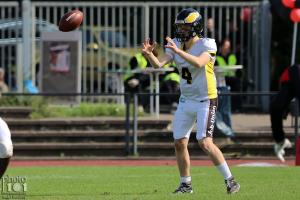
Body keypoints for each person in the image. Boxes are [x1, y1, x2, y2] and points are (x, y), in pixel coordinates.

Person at [142, 8, 240, 194]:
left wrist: (179, 51)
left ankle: (230, 180)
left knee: (204, 142)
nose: (181, 31)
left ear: (196, 27)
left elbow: (198, 63)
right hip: (186, 100)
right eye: (180, 27)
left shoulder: (207, 44)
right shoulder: (177, 43)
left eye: (185, 27)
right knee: (179, 142)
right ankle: (186, 185)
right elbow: (159, 64)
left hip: (206, 99)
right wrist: (149, 54)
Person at [270, 64, 300, 162]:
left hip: (293, 77)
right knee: (275, 108)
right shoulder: (294, 71)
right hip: (293, 76)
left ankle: (280, 141)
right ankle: (280, 141)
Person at [216, 38, 242, 112]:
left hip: (233, 78)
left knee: (237, 86)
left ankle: (236, 108)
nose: (227, 48)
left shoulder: (233, 56)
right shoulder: (217, 57)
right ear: (221, 47)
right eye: (226, 46)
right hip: (222, 79)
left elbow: (238, 68)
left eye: (228, 46)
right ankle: (222, 108)